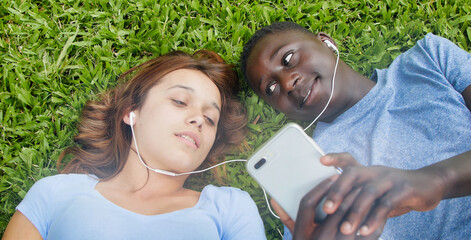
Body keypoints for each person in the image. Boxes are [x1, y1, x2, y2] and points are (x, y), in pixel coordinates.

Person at [240, 21, 471, 239]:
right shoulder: (309, 170)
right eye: (271, 89)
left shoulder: (429, 58)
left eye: (288, 58)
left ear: (326, 42)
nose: (288, 84)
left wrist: (437, 180)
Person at [3, 50, 266, 240]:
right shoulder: (55, 194)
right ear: (131, 112)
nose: (199, 120)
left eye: (210, 119)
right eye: (179, 101)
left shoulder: (231, 209)